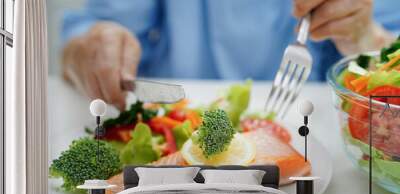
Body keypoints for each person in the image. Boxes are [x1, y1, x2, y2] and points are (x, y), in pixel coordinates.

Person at [62, 0, 399, 110]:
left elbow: (387, 50)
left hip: (313, 122)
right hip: (166, 110)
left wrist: (366, 38)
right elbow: (99, 28)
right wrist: (91, 48)